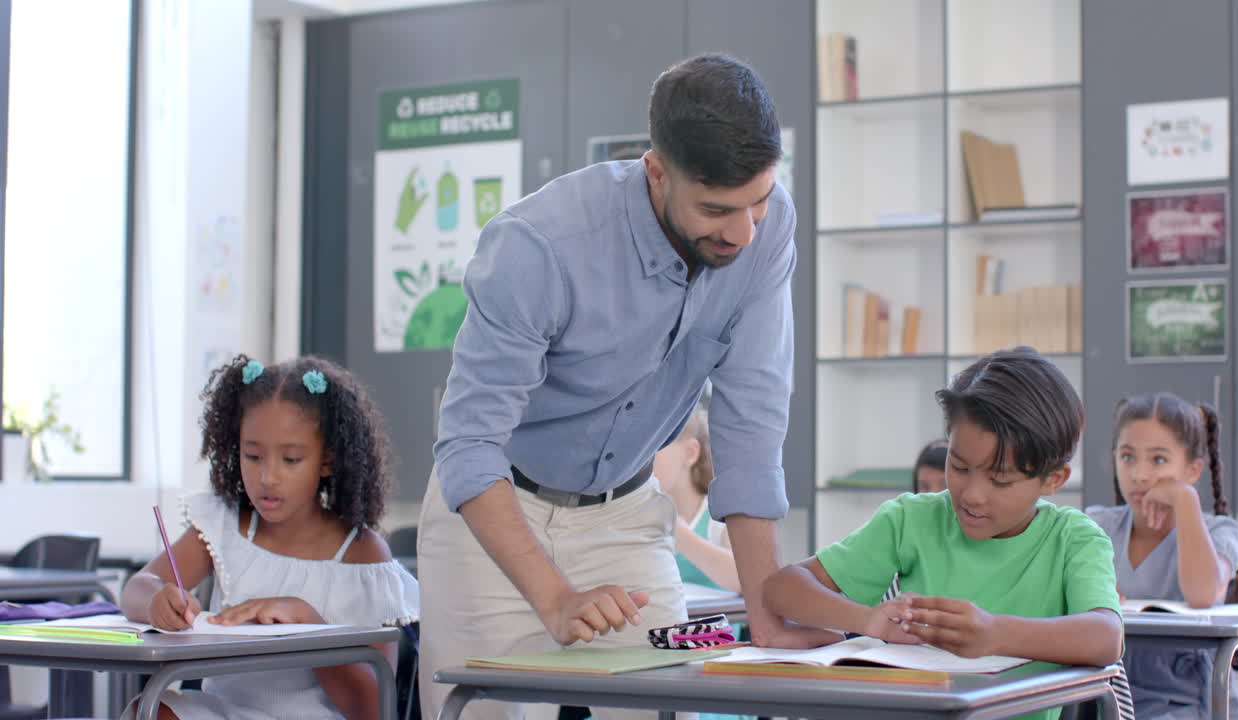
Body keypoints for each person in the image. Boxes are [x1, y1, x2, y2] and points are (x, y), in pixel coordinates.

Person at [418, 53, 838, 720]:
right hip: (497, 517)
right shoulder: (540, 245)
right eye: (717, 209)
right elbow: (468, 444)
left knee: (667, 706)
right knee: (482, 712)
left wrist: (766, 610)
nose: (743, 232)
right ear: (656, 170)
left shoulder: (767, 228)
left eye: (759, 201)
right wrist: (553, 597)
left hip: (625, 514)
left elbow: (751, 422)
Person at [763, 346, 1122, 720]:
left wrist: (994, 634)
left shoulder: (1073, 539)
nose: (972, 494)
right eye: (960, 466)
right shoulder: (913, 520)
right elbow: (783, 587)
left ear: (1053, 479)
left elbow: (1105, 637)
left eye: (1000, 480)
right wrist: (865, 620)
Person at [121, 355, 418, 720]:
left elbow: (373, 709)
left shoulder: (362, 553)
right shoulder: (224, 526)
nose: (267, 477)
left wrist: (308, 625)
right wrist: (156, 599)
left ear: (327, 460)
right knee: (149, 710)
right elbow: (138, 586)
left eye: (291, 460)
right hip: (228, 713)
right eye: (253, 456)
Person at [1086, 392, 1238, 720]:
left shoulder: (1220, 531)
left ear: (1193, 469)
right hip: (1108, 701)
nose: (1140, 474)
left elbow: (1203, 594)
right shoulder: (1097, 525)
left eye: (1158, 460)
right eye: (1127, 456)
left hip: (1188, 705)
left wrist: (1185, 500)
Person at [655, 405, 740, 594]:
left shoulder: (721, 516)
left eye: (653, 450)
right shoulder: (634, 516)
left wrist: (683, 537)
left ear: (690, 453)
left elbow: (745, 578)